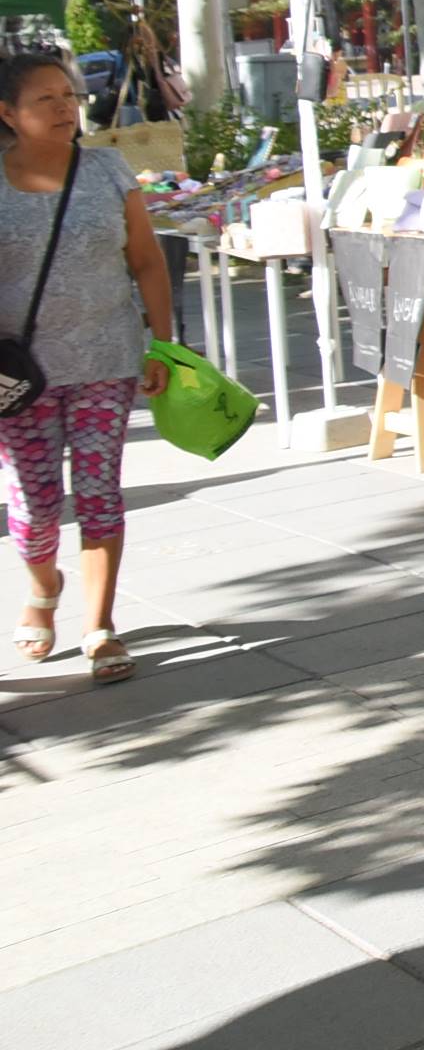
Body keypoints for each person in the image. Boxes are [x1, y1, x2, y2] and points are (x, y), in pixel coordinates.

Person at [0, 52, 175, 683]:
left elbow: (148, 261)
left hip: (106, 359)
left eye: (67, 95)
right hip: (20, 379)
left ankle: (100, 624)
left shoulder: (106, 169)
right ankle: (44, 589)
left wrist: (162, 344)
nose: (63, 107)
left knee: (99, 490)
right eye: (43, 99)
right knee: (37, 505)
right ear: (7, 114)